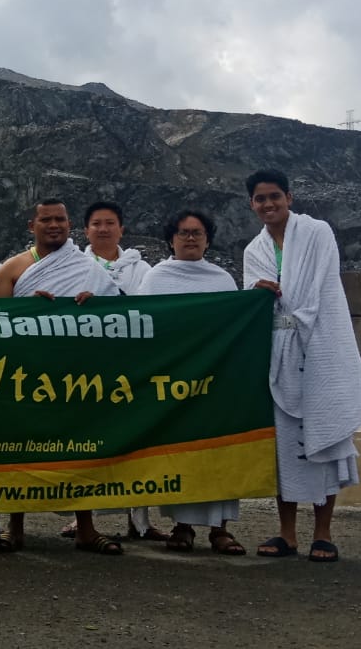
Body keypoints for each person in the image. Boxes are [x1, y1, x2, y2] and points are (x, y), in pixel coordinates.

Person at [242, 169, 361, 563]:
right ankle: (287, 533)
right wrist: (258, 293)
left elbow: (320, 289)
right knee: (283, 445)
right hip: (278, 351)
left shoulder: (317, 233)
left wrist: (288, 303)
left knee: (325, 437)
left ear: (289, 197)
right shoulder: (254, 250)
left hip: (320, 345)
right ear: (252, 204)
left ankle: (323, 533)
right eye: (260, 198)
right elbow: (252, 300)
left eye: (275, 196)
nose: (268, 204)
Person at [0, 198, 120, 553]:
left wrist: (98, 306)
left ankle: (86, 528)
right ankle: (14, 527)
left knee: (80, 447)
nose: (54, 225)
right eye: (45, 219)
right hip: (26, 374)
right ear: (31, 226)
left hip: (75, 375)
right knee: (21, 448)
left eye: (60, 219)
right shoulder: (12, 270)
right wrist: (27, 310)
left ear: (69, 224)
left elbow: (119, 317)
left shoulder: (89, 269)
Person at [137, 210, 246, 555]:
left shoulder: (222, 280)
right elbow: (144, 326)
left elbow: (236, 328)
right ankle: (181, 527)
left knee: (218, 454)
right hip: (175, 384)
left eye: (197, 233)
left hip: (215, 384)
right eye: (183, 232)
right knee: (180, 455)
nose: (190, 238)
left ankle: (220, 529)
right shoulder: (155, 279)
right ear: (171, 239)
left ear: (207, 240)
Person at [78, 201, 164, 543]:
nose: (103, 229)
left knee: (135, 444)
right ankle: (83, 520)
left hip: (132, 367)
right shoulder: (75, 267)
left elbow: (149, 309)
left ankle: (139, 519)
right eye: (96, 223)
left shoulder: (142, 269)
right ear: (86, 230)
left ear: (121, 229)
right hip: (90, 368)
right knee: (90, 443)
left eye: (110, 223)